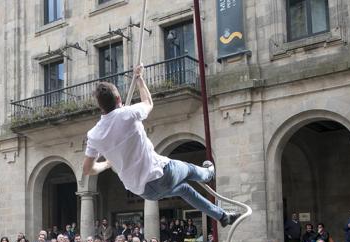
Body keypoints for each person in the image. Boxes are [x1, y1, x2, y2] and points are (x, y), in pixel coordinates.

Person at [82, 65, 240, 229]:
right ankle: (208, 174)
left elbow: (87, 169)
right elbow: (148, 103)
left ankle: (221, 216)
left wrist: (107, 164)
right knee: (190, 169)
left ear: (100, 107)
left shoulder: (94, 135)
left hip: (144, 191)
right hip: (161, 174)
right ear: (118, 99)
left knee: (185, 190)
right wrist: (140, 80)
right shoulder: (128, 113)